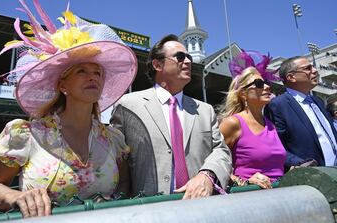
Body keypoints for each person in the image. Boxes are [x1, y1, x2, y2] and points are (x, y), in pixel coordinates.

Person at [0, 0, 137, 218]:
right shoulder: (26, 135)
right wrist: (15, 197)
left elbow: (125, 185)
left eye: (97, 72)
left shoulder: (113, 140)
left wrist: (111, 201)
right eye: (82, 71)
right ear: (63, 85)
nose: (93, 77)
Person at [110, 34, 232, 199]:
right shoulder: (127, 106)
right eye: (180, 57)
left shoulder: (205, 110)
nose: (188, 61)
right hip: (150, 211)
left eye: (189, 57)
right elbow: (118, 162)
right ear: (158, 64)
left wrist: (207, 175)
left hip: (200, 208)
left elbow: (221, 151)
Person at [219, 51, 286, 189]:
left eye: (266, 82)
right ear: (243, 94)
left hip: (280, 196)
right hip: (250, 199)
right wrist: (245, 182)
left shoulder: (270, 125)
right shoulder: (233, 123)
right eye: (259, 83)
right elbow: (213, 164)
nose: (267, 86)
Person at [265, 56, 337, 167]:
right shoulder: (278, 105)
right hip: (313, 178)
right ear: (291, 77)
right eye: (308, 68)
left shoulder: (318, 101)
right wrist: (300, 164)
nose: (315, 70)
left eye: (313, 67)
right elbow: (275, 146)